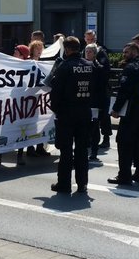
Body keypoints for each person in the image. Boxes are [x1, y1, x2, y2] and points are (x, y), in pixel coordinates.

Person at [46, 36, 94, 195]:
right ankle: (82, 185)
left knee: (66, 151)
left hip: (67, 113)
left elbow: (56, 92)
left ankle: (64, 184)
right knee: (82, 151)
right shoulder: (89, 65)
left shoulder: (64, 66)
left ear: (66, 49)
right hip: (85, 112)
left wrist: (55, 109)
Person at [108, 44, 139, 185]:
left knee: (124, 143)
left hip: (131, 111)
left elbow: (124, 91)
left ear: (135, 52)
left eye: (126, 52)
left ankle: (124, 176)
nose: (124, 54)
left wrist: (116, 109)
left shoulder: (131, 68)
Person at [84, 30, 112, 150]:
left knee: (104, 116)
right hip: (90, 91)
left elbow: (105, 71)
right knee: (91, 118)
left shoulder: (101, 52)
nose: (90, 41)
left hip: (101, 90)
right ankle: (91, 138)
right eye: (88, 39)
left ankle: (106, 138)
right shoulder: (84, 51)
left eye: (92, 39)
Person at [84, 43, 108, 162]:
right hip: (83, 101)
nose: (87, 53)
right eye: (86, 51)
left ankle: (94, 151)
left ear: (95, 54)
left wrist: (102, 105)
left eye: (90, 51)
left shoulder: (99, 67)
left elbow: (102, 87)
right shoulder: (81, 65)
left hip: (95, 102)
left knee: (94, 128)